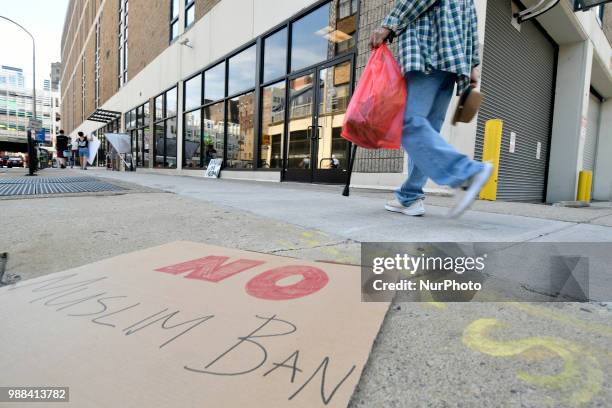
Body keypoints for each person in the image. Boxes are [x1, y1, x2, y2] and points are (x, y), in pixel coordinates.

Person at [370, 0, 493, 218]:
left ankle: (467, 173)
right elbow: (472, 23)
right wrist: (473, 64)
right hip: (453, 63)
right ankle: (410, 196)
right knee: (426, 134)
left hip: (427, 51)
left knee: (407, 123)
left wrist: (389, 24)